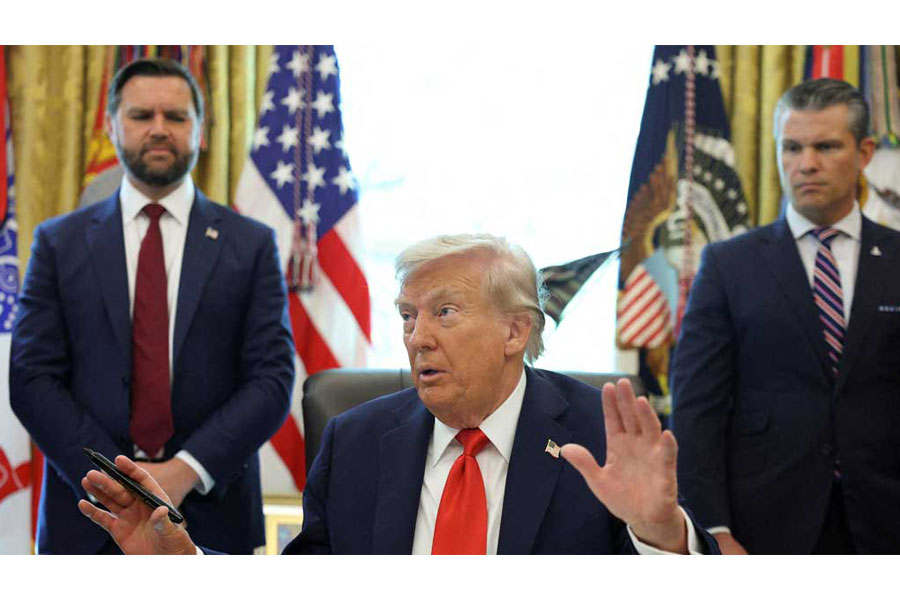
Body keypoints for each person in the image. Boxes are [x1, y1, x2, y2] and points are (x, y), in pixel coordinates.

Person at [78, 233, 718, 555]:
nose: (417, 338)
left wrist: (659, 534)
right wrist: (189, 563)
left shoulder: (600, 432)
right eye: (408, 316)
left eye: (444, 313)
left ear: (515, 331)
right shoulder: (355, 440)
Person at [10, 58, 295, 554]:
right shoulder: (59, 243)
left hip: (211, 513)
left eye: (177, 117)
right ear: (111, 125)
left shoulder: (251, 244)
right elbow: (32, 378)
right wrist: (112, 481)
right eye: (142, 116)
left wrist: (184, 472)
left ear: (201, 131)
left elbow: (270, 379)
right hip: (88, 513)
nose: (159, 129)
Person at [671, 78, 900, 554]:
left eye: (826, 146)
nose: (806, 163)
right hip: (763, 527)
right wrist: (711, 527)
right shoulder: (728, 265)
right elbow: (697, 409)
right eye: (792, 147)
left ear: (864, 153)